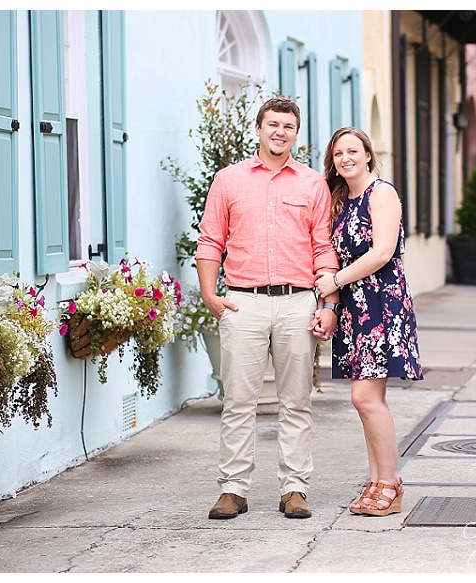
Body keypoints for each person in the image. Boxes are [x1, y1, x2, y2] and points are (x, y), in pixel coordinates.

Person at [196, 96, 340, 520]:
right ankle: (233, 489)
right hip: (243, 303)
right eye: (273, 124)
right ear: (258, 128)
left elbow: (323, 247)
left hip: (298, 301)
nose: (280, 132)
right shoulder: (229, 180)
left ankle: (295, 488)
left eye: (289, 127)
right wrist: (210, 293)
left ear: (297, 134)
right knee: (239, 400)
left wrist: (328, 303)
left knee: (296, 401)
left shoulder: (312, 183)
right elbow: (210, 240)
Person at [314, 127, 423, 517]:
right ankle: (378, 480)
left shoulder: (383, 193)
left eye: (352, 151)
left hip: (381, 305)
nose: (346, 158)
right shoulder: (341, 201)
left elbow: (382, 252)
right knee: (369, 401)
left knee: (364, 398)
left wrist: (337, 281)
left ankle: (390, 484)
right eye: (339, 153)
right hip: (355, 309)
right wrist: (331, 300)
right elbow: (332, 257)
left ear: (367, 155)